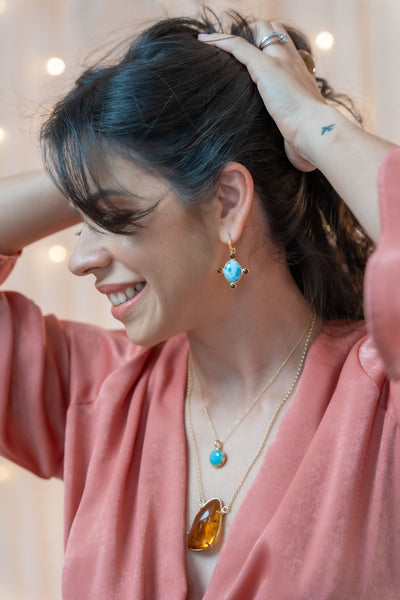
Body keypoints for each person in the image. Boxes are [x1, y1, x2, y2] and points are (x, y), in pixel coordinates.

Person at [0, 11, 399, 600]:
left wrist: (315, 126)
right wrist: (97, 165)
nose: (81, 258)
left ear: (227, 202)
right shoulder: (101, 396)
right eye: (80, 221)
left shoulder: (380, 404)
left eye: (111, 217)